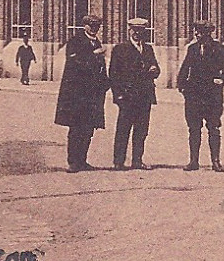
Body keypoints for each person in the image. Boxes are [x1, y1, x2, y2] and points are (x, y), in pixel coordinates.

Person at [54, 15, 110, 172]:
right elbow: (75, 63)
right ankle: (73, 162)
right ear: (84, 26)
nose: (94, 29)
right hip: (77, 94)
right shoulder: (75, 41)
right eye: (91, 26)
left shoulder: (96, 42)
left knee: (89, 128)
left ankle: (83, 160)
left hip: (93, 94)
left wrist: (105, 83)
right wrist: (95, 54)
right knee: (76, 128)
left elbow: (100, 67)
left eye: (97, 26)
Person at [176, 19, 224, 172]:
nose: (196, 34)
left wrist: (221, 80)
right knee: (194, 128)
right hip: (193, 96)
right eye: (196, 31)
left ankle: (215, 161)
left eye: (200, 32)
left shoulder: (220, 49)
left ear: (208, 34)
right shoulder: (192, 49)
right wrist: (182, 86)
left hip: (212, 96)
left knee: (213, 128)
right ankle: (193, 161)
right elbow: (184, 68)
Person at [108, 18, 161, 170]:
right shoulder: (120, 49)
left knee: (141, 130)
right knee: (123, 129)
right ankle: (119, 162)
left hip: (145, 96)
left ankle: (137, 160)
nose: (137, 33)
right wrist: (118, 95)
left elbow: (156, 68)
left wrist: (155, 70)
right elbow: (114, 74)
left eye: (141, 31)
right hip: (127, 96)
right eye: (135, 30)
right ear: (130, 30)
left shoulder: (148, 49)